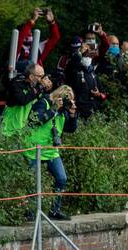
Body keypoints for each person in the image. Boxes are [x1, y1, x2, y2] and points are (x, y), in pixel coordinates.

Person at [24, 86, 77, 220]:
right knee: (33, 182)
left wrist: (72, 114)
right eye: (67, 100)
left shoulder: (64, 110)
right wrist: (54, 109)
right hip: (34, 148)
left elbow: (70, 129)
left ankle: (55, 210)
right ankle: (29, 212)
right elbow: (35, 120)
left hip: (51, 150)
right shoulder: (44, 102)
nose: (68, 103)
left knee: (61, 179)